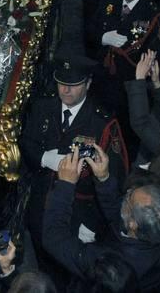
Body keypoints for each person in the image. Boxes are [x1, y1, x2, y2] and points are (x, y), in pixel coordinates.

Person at [20, 55, 125, 283]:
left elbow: (112, 178)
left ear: (88, 84)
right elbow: (27, 143)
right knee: (40, 254)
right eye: (61, 83)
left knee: (68, 274)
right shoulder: (43, 107)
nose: (66, 91)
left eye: (73, 85)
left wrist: (92, 223)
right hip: (41, 202)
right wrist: (43, 158)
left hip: (79, 213)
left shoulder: (102, 122)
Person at [43, 146, 160, 289]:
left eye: (129, 197)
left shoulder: (112, 264)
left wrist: (65, 185)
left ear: (133, 224)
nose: (127, 191)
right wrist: (104, 178)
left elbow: (54, 238)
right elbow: (119, 216)